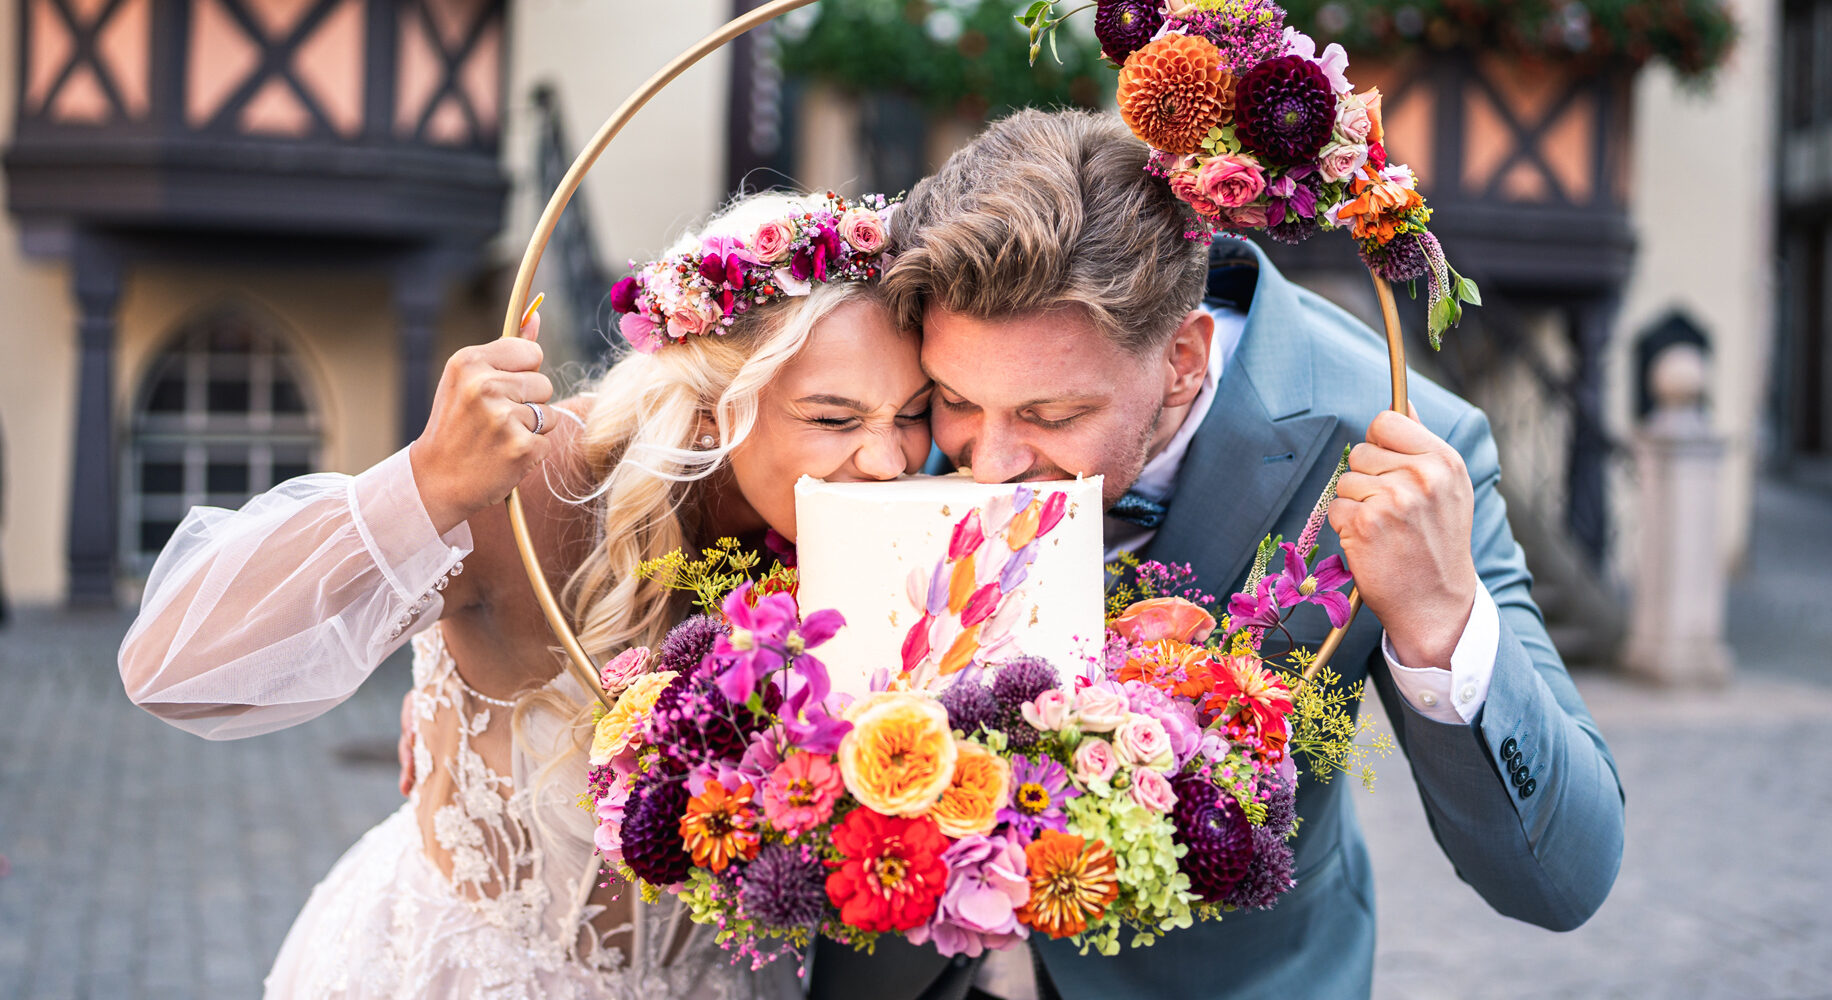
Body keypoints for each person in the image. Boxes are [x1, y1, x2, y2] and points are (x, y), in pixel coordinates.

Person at [803, 109, 1626, 1000]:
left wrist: (1441, 621)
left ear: (1185, 362)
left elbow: (1562, 880)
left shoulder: (1395, 441)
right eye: (956, 399)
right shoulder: (880, 388)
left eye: (1053, 416)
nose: (992, 463)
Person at [117, 191, 929, 1000]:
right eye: (834, 417)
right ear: (717, 407)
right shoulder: (538, 486)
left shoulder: (891, 540)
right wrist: (426, 485)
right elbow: (171, 669)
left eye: (916, 414)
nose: (891, 460)